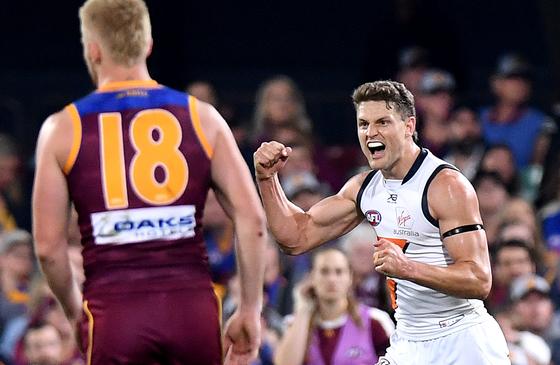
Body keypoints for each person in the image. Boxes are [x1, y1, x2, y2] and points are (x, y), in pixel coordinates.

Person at [31, 0, 267, 364]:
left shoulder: (62, 128)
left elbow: (48, 247)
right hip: (192, 308)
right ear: (148, 45)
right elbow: (252, 221)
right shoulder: (202, 117)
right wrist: (251, 308)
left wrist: (75, 311)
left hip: (114, 310)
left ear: (92, 50)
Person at [254, 80, 509, 364]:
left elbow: (478, 279)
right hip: (409, 340)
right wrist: (267, 179)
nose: (370, 133)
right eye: (363, 124)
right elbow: (295, 238)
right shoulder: (364, 188)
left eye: (382, 122)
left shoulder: (445, 185)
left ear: (409, 126)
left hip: (463, 340)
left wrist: (407, 268)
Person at [274, 248, 394, 365]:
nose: (332, 279)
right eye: (324, 271)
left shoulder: (375, 320)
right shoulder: (294, 323)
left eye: (339, 271)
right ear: (311, 277)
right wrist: (303, 310)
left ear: (350, 277)